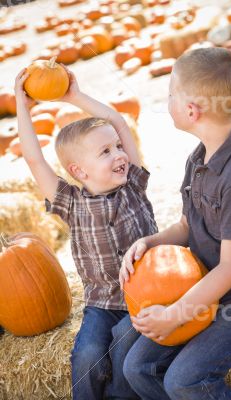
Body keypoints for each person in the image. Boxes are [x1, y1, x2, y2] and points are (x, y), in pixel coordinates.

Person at [119, 47, 231, 400]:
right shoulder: (199, 157)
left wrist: (174, 315)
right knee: (136, 367)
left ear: (191, 110)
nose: (166, 100)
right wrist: (151, 242)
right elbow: (187, 224)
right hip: (203, 290)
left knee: (183, 380)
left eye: (170, 93)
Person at [14, 67, 156, 400]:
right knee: (88, 354)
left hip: (148, 295)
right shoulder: (71, 203)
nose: (119, 155)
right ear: (79, 171)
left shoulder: (133, 184)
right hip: (102, 302)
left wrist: (74, 96)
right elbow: (34, 160)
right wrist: (23, 105)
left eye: (118, 147)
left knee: (124, 341)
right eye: (105, 152)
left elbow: (120, 122)